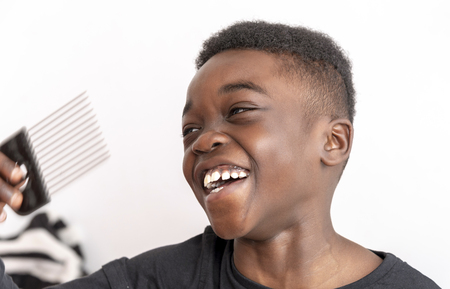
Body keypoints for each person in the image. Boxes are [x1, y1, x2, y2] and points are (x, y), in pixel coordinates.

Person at [0, 21, 441, 288]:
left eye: (239, 111)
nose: (203, 140)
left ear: (333, 142)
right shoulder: (155, 280)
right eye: (190, 129)